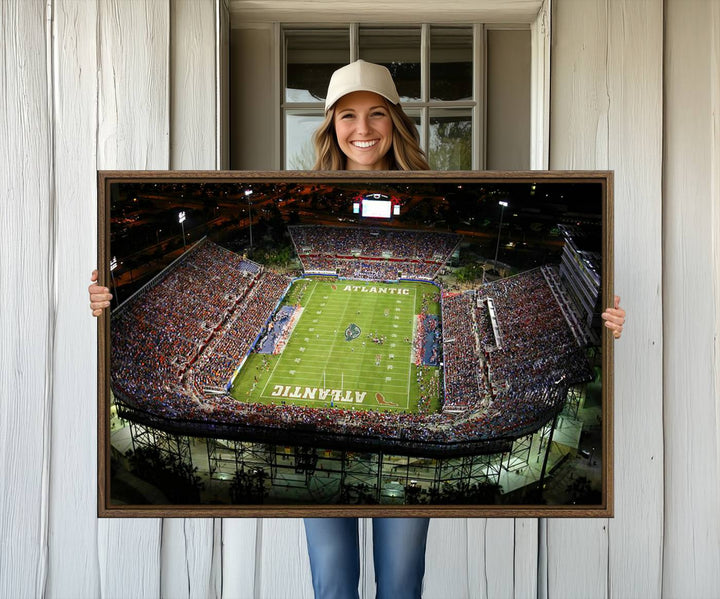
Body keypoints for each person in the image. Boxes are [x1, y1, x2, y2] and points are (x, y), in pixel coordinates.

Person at [88, 60, 626, 599]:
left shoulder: (432, 192)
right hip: (322, 465)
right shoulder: (303, 189)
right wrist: (105, 302)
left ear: (396, 121)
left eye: (376, 115)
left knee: (400, 579)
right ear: (330, 125)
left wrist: (600, 322)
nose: (362, 130)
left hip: (391, 463)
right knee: (333, 579)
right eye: (348, 115)